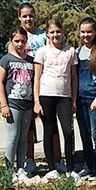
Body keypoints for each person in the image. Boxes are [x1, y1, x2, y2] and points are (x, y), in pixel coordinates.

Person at [17, 3, 62, 173]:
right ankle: (29, 159)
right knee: (28, 127)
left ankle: (57, 159)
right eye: (25, 16)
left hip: (45, 86)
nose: (28, 19)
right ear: (20, 17)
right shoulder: (17, 37)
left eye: (31, 15)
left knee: (50, 124)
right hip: (24, 85)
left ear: (35, 16)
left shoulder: (44, 36)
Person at [34, 18, 78, 173]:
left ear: (62, 32)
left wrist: (73, 100)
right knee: (49, 130)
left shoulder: (70, 51)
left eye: (58, 31)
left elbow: (74, 77)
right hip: (46, 94)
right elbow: (37, 77)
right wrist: (36, 101)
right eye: (52, 32)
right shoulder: (42, 51)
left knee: (68, 131)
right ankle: (51, 167)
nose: (55, 35)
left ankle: (70, 167)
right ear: (47, 33)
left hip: (64, 96)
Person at [0, 28, 35, 170]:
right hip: (12, 104)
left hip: (27, 104)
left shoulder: (31, 61)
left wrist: (35, 104)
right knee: (13, 136)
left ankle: (20, 167)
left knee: (23, 137)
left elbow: (35, 83)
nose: (20, 44)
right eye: (17, 41)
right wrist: (4, 105)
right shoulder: (6, 59)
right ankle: (9, 168)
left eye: (23, 41)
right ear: (11, 41)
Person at [76, 17, 96, 178]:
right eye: (83, 32)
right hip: (80, 98)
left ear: (95, 32)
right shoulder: (77, 52)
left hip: (94, 97)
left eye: (89, 32)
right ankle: (88, 166)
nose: (86, 35)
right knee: (85, 134)